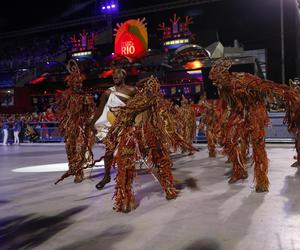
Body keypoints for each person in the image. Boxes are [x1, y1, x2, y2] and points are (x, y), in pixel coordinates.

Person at [93, 68, 136, 190]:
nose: (114, 75)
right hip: (112, 127)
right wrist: (91, 124)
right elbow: (100, 110)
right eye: (113, 74)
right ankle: (106, 177)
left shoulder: (132, 90)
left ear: (123, 76)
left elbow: (138, 107)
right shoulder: (108, 92)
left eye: (117, 74)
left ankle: (126, 183)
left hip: (127, 126)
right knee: (109, 153)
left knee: (126, 154)